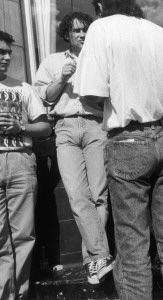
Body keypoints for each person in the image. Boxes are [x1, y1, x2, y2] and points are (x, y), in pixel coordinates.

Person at [74, 1, 163, 299]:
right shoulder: (161, 33)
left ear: (101, 5)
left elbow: (90, 94)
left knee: (133, 246)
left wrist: (122, 101)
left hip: (127, 139)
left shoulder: (102, 28)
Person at [33, 12, 113, 285]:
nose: (81, 34)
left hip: (94, 126)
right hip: (65, 129)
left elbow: (112, 96)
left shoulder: (100, 58)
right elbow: (44, 98)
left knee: (99, 195)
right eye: (76, 31)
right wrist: (62, 78)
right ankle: (100, 256)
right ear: (67, 34)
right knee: (79, 197)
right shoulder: (53, 61)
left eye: (85, 30)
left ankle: (93, 261)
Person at [0, 31, 52, 300]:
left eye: (8, 52)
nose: (6, 56)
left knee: (23, 236)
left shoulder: (22, 87)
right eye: (1, 52)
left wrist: (21, 127)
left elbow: (45, 127)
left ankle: (18, 296)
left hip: (20, 160)